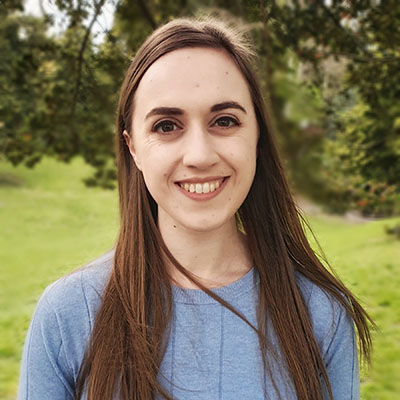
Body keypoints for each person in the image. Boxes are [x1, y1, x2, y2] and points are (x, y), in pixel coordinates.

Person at [18, 17, 373, 400]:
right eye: (166, 126)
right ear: (133, 147)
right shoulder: (67, 316)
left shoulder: (321, 315)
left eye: (225, 121)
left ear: (256, 136)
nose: (200, 155)